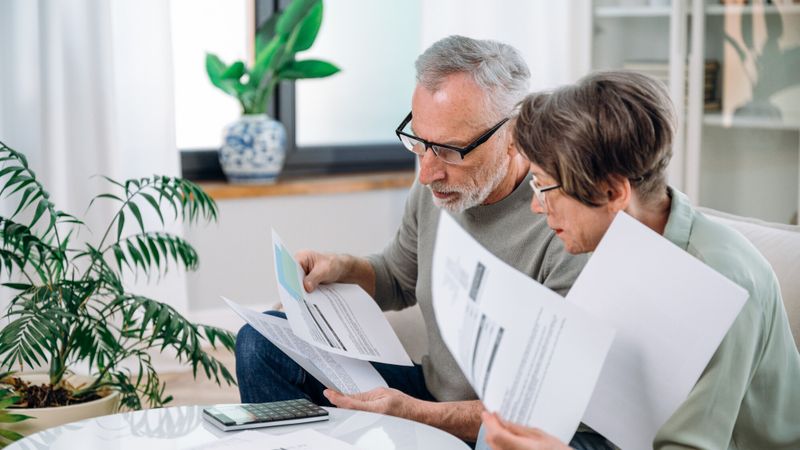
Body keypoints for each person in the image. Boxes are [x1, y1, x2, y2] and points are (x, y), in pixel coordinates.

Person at [235, 35, 593, 444]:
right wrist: (343, 268)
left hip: (500, 427)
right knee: (259, 341)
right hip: (429, 393)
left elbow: (550, 410)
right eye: (418, 142)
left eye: (449, 151)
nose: (427, 173)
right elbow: (398, 277)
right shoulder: (436, 180)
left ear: (514, 134)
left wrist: (415, 415)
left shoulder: (567, 218)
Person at [481, 70, 800, 449]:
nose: (537, 206)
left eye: (545, 187)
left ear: (614, 191)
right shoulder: (623, 240)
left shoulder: (718, 283)